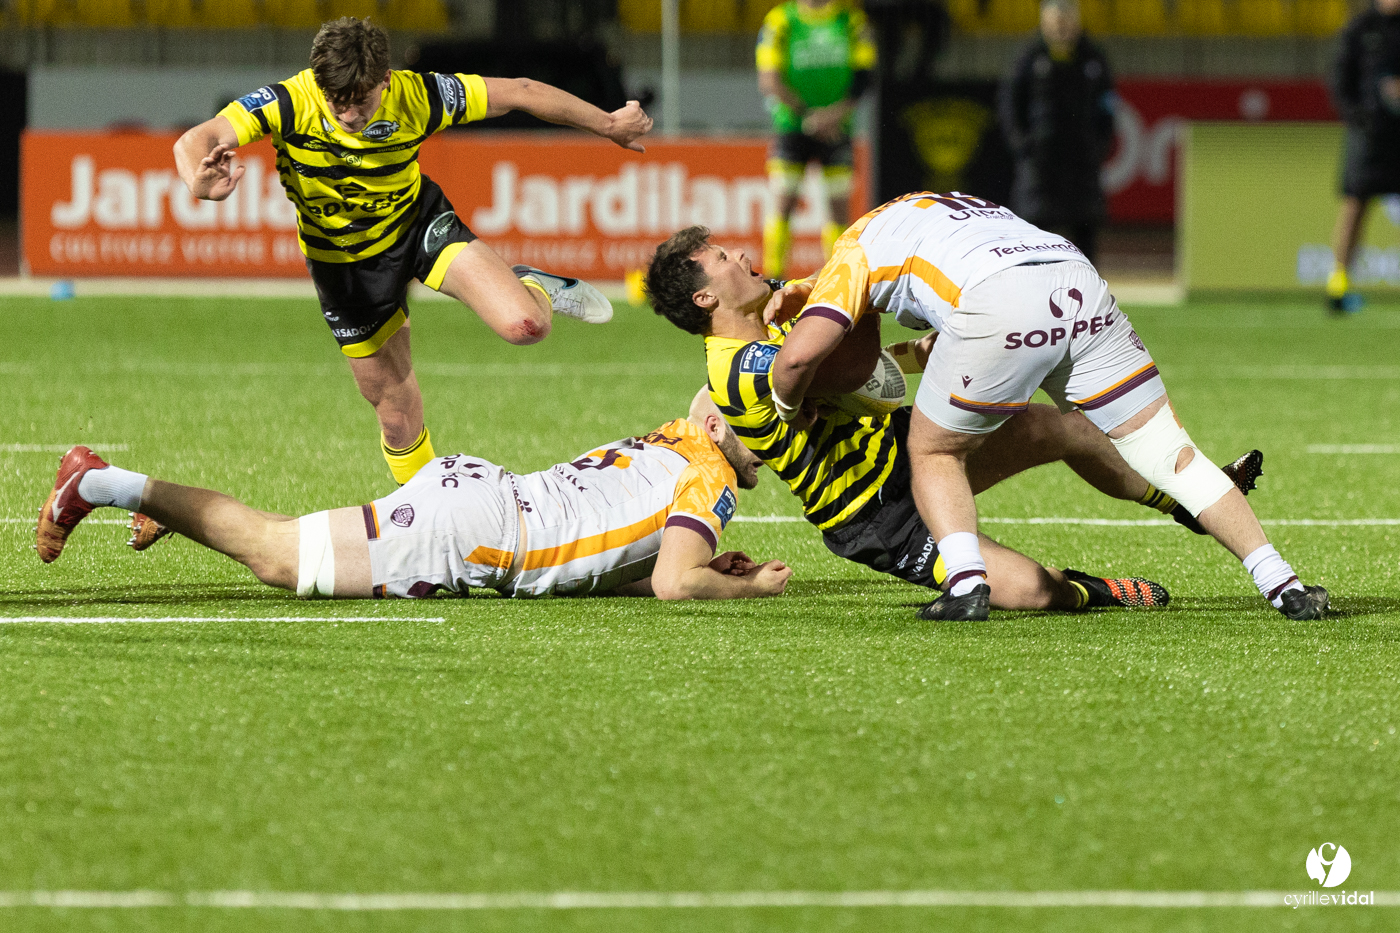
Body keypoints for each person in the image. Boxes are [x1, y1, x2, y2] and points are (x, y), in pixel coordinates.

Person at [720, 192, 1327, 622]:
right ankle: (1284, 584)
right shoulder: (927, 218)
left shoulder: (849, 256)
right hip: (1069, 275)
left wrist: (793, 402)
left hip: (992, 309)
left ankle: (965, 589)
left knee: (935, 450)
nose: (747, 260)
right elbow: (857, 358)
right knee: (1167, 452)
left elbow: (821, 362)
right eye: (724, 259)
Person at [173, 17, 652, 485]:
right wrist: (197, 178)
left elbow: (521, 92)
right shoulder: (289, 101)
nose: (348, 117)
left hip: (418, 227)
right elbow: (197, 139)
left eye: (360, 102)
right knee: (397, 419)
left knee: (526, 326)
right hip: (344, 268)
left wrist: (608, 123)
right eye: (337, 103)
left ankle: (533, 286)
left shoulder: (419, 94)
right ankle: (426, 512)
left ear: (385, 79)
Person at [33, 396, 790, 601]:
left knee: (290, 544)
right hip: (479, 531)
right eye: (770, 424)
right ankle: (96, 481)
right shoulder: (713, 478)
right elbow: (674, 584)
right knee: (279, 558)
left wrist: (699, 565)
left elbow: (618, 559)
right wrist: (749, 585)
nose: (778, 440)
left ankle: (158, 501)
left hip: (482, 498)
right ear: (719, 425)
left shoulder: (678, 436)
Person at [756, 0, 876, 278]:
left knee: (839, 207)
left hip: (838, 127)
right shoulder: (780, 20)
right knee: (783, 202)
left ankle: (837, 279)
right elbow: (769, 79)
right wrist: (808, 115)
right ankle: (773, 279)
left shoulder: (851, 21)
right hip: (792, 126)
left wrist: (832, 116)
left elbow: (865, 77)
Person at [998, 0, 1116, 263]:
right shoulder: (1028, 58)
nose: (1062, 28)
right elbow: (1010, 104)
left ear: (1077, 22)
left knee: (1085, 234)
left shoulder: (1093, 58)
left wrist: (1099, 146)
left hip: (1082, 164)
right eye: (1056, 22)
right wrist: (1022, 144)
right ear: (1044, 23)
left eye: (1067, 22)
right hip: (1040, 164)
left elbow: (1107, 105)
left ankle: (1086, 285)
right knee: (1033, 236)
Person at [1326, 0, 1400, 315]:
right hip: (1369, 136)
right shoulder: (1360, 29)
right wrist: (1359, 117)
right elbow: (1341, 79)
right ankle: (1338, 287)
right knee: (1354, 208)